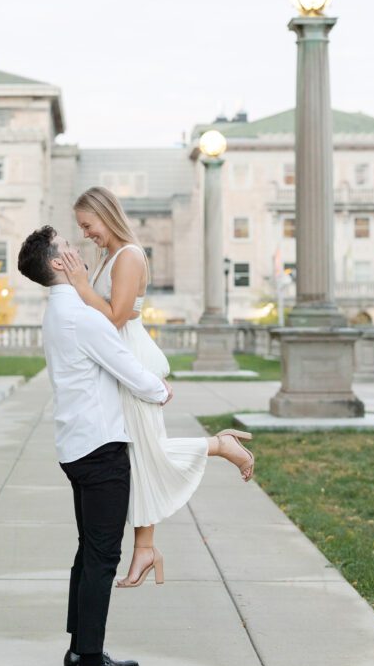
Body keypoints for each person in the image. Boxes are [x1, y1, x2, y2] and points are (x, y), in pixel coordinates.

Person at [58, 186, 255, 588]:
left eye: (88, 225)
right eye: (80, 228)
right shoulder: (108, 258)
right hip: (119, 359)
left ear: (105, 215)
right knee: (137, 455)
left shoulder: (129, 255)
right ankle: (145, 549)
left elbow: (113, 319)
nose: (85, 234)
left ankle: (219, 445)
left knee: (146, 450)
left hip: (129, 357)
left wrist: (81, 286)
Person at [17, 225, 173, 666]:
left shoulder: (59, 310)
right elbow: (126, 365)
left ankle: (79, 652)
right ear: (59, 264)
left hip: (77, 444)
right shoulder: (81, 316)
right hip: (100, 448)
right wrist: (161, 389)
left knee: (89, 553)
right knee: (103, 557)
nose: (78, 250)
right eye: (68, 247)